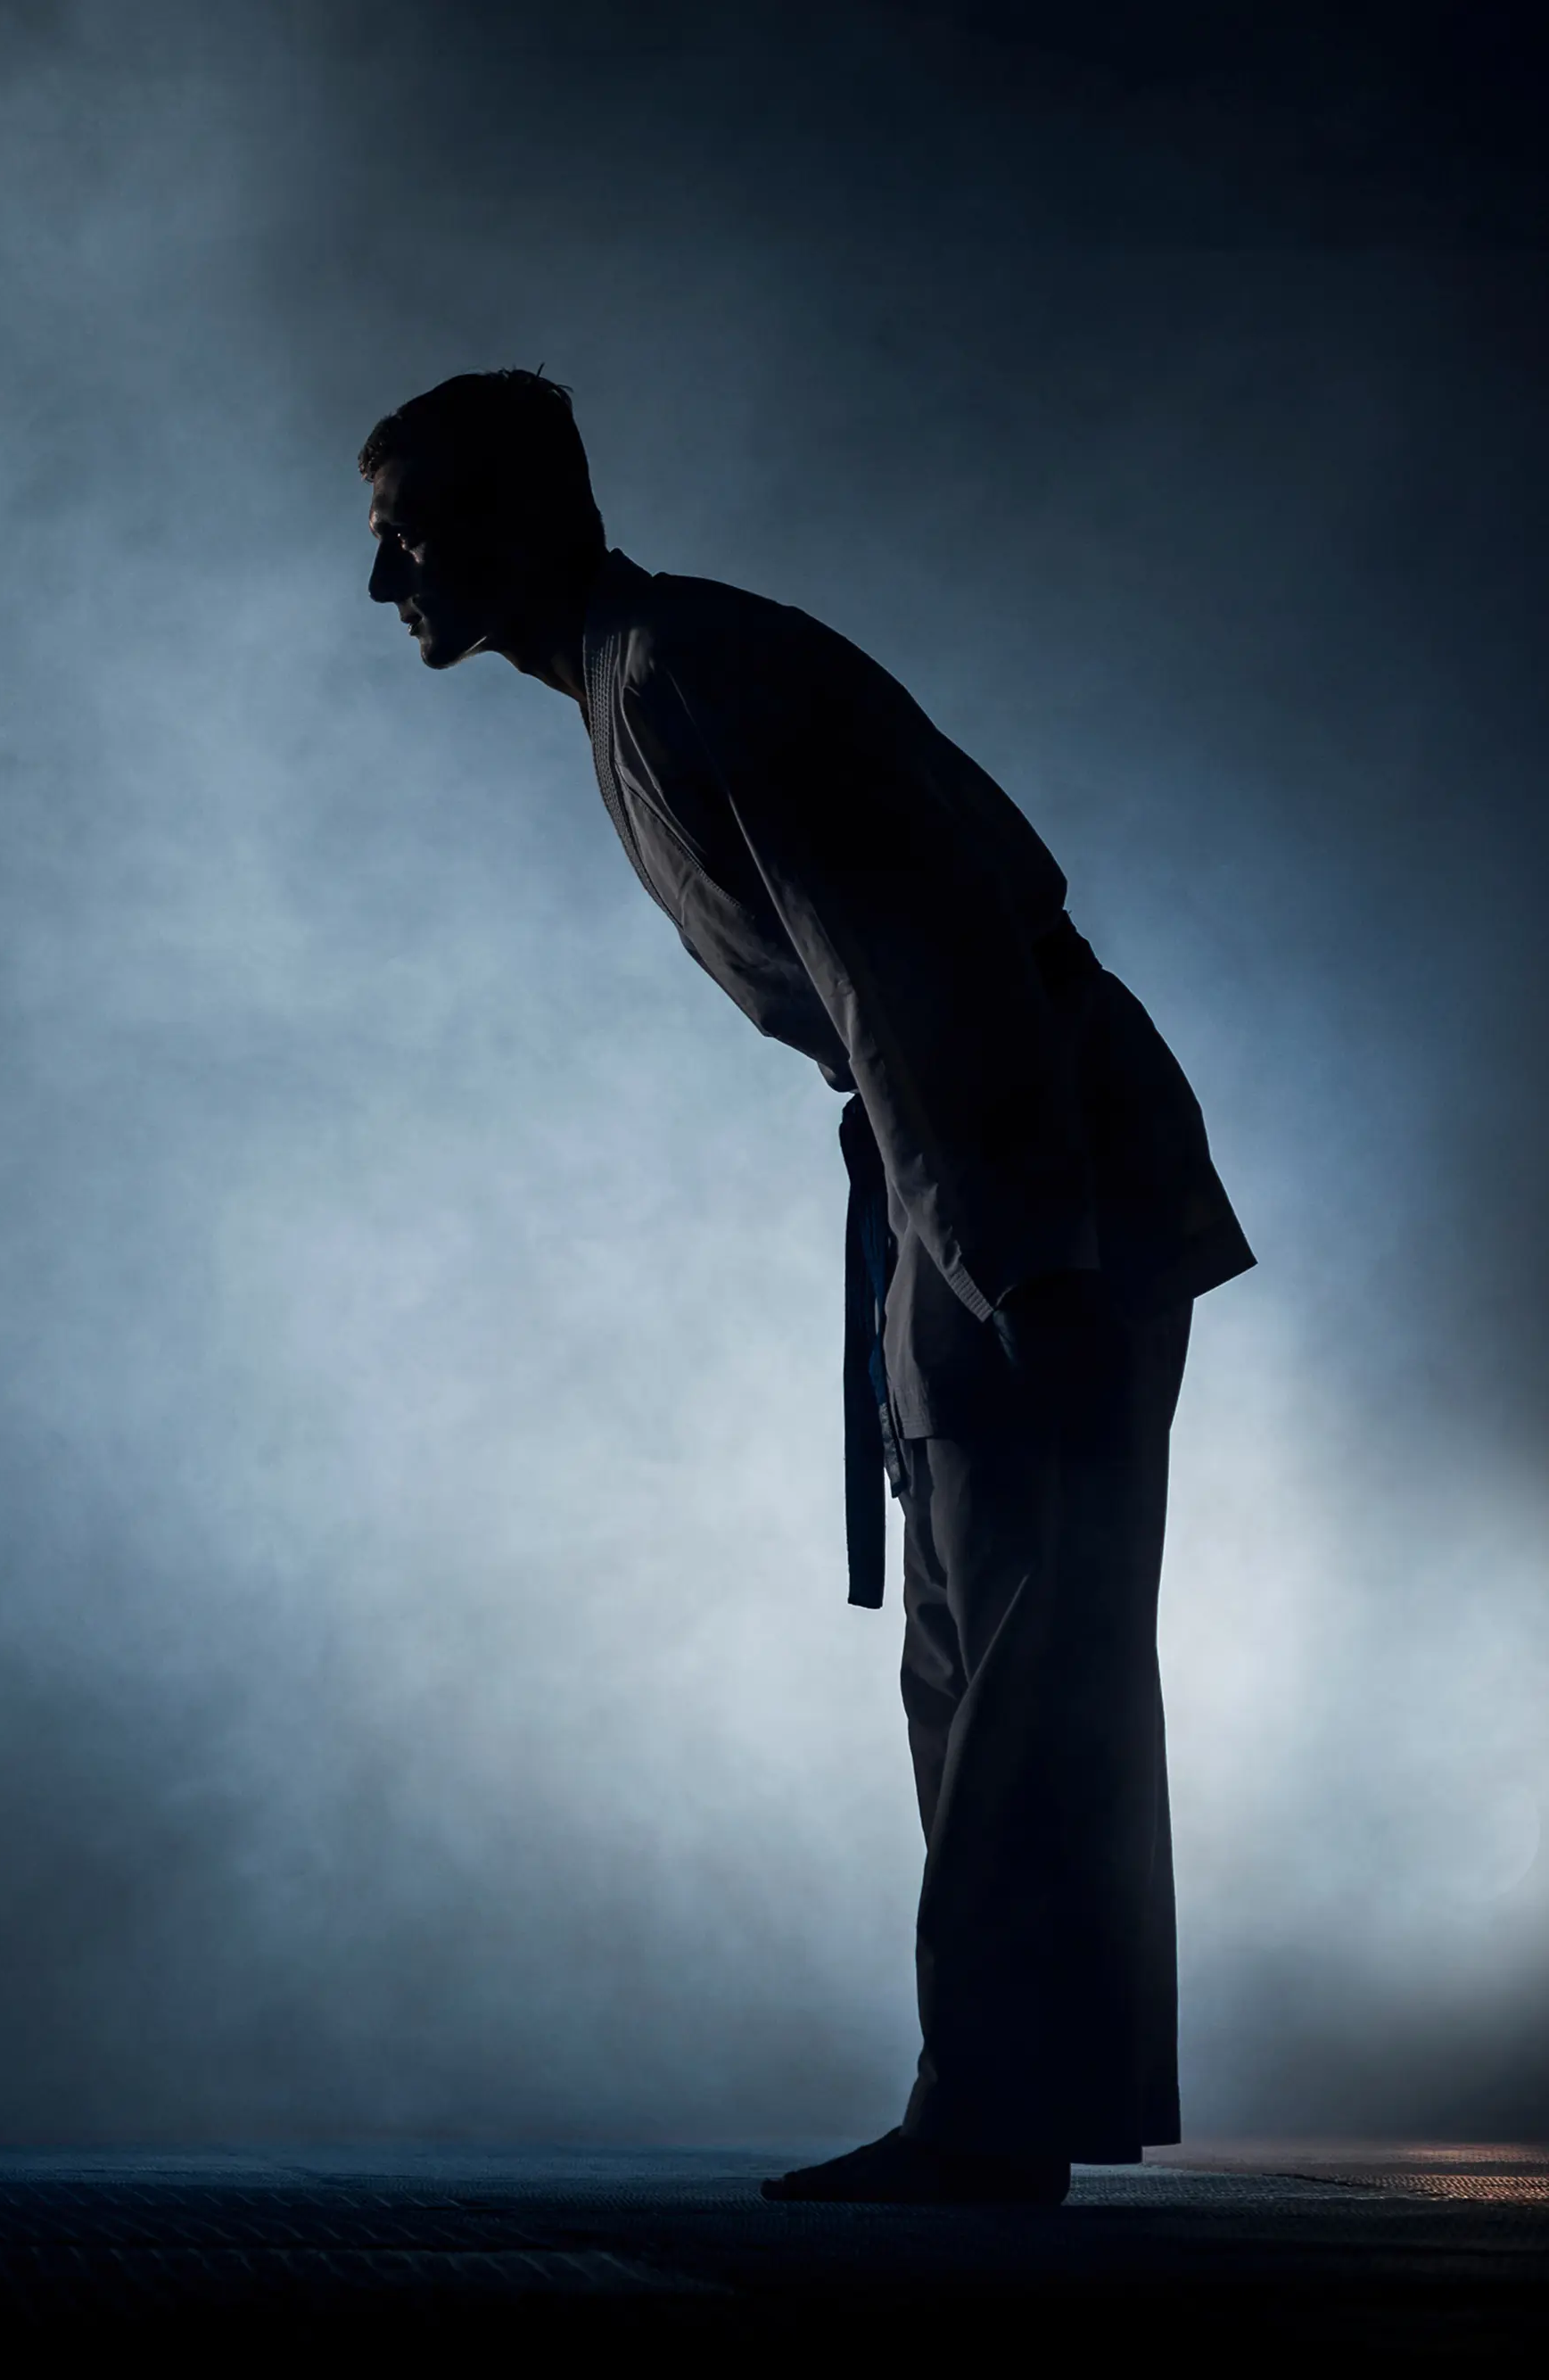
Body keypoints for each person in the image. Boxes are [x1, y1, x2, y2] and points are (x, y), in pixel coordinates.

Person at [358, 370, 1252, 2205]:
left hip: (1027, 1152)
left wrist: (1028, 1256)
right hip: (975, 1160)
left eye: (410, 526)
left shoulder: (690, 667)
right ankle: (1000, 2095)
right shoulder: (642, 672)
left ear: (519, 515)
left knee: (1028, 1648)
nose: (384, 580)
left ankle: (996, 2114)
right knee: (978, 1645)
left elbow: (918, 970)